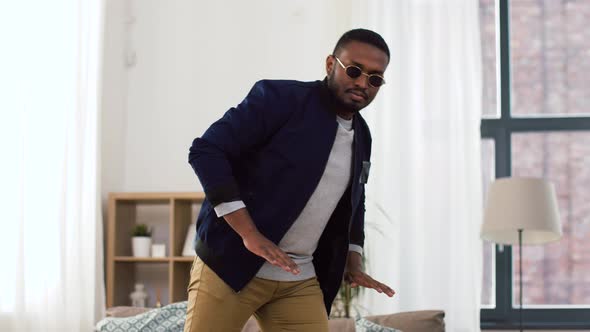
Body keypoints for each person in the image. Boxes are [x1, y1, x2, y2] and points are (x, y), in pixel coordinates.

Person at [185, 28, 395, 332]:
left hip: (298, 277)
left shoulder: (362, 135)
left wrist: (353, 258)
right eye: (354, 70)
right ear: (330, 64)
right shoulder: (280, 99)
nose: (363, 83)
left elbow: (354, 200)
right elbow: (206, 150)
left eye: (375, 78)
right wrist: (249, 233)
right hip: (230, 266)